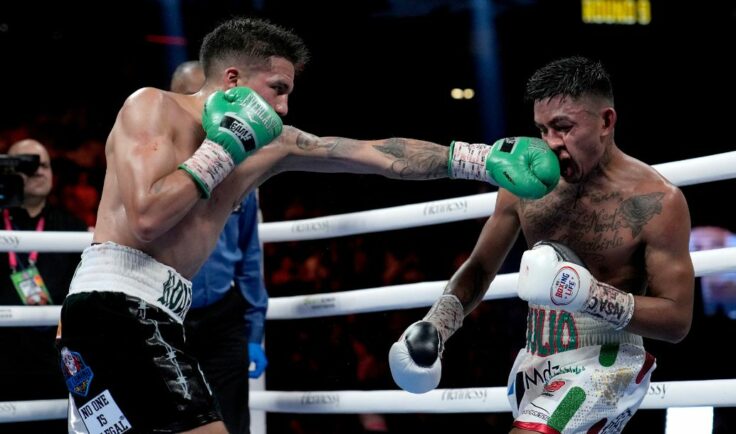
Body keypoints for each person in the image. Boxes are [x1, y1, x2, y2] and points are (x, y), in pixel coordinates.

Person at [56, 16, 561, 433]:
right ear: (232, 80)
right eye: (276, 89)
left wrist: (475, 159)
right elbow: (146, 219)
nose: (283, 107)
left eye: (288, 93)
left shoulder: (270, 144)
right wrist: (223, 147)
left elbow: (375, 155)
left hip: (158, 310)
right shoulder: (153, 107)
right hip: (117, 304)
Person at [389, 56, 695, 434]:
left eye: (563, 128)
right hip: (537, 356)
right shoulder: (524, 182)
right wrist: (437, 324)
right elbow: (482, 267)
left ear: (606, 122)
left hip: (608, 361)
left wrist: (589, 295)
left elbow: (677, 320)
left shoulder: (657, 200)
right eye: (542, 129)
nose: (550, 143)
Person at [170, 59, 269, 434]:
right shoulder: (156, 166)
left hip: (223, 319)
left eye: (206, 99)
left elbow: (249, 257)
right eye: (189, 100)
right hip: (168, 316)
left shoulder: (241, 170)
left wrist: (255, 332)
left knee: (233, 422)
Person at [0, 139, 88, 433]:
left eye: (46, 165)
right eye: (28, 164)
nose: (39, 171)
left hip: (52, 359)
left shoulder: (74, 229)